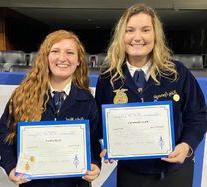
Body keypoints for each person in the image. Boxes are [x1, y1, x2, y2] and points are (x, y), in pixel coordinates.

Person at [95, 3, 207, 187]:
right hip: (132, 173)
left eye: (145, 30)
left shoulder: (177, 72)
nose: (137, 37)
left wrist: (187, 145)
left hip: (176, 172)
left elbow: (198, 115)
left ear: (156, 35)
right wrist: (107, 143)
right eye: (130, 30)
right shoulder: (109, 77)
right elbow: (99, 119)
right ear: (121, 36)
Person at [0, 30, 101, 187]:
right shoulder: (22, 96)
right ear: (45, 57)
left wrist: (95, 164)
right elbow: (4, 135)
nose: (62, 58)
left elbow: (94, 143)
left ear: (79, 60)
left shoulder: (87, 101)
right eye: (55, 51)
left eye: (70, 52)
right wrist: (11, 166)